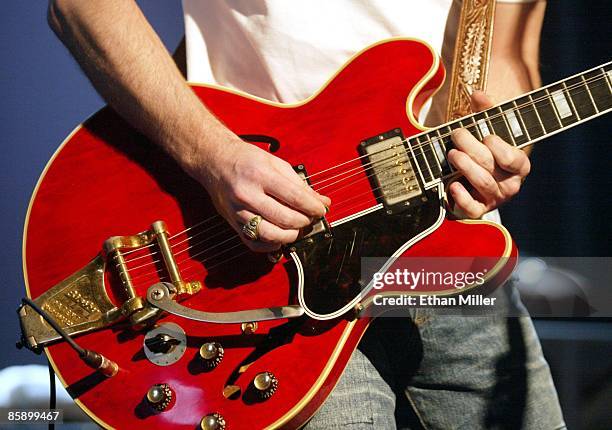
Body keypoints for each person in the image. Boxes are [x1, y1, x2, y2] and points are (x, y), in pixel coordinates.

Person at [47, 0, 565, 428]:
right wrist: (212, 156)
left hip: (452, 253)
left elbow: (506, 55)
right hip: (264, 267)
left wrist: (494, 154)